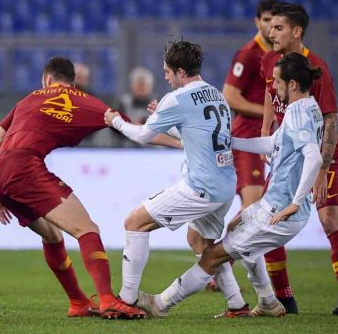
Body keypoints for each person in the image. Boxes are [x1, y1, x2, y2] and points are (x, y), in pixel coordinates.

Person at [0, 57, 179, 319]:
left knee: (52, 236)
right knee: (88, 230)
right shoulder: (84, 100)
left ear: (47, 79)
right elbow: (136, 131)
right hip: (25, 168)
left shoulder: (28, 99)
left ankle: (78, 302)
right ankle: (108, 300)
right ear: (73, 83)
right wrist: (179, 144)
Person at [136, 52, 324, 319]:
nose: (274, 88)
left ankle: (160, 303)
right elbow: (273, 143)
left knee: (211, 255)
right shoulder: (308, 108)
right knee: (236, 226)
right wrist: (230, 141)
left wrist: (295, 203)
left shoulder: (297, 113)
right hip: (271, 205)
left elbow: (313, 156)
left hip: (280, 211)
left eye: (278, 83)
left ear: (293, 84)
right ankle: (268, 302)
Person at [104, 40, 249, 318]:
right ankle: (237, 304)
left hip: (200, 187)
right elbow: (193, 134)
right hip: (226, 185)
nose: (165, 77)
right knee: (201, 243)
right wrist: (167, 118)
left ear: (181, 71)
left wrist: (116, 121)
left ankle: (127, 299)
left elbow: (143, 136)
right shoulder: (215, 94)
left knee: (134, 223)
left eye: (168, 72)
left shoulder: (177, 98)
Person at [261, 2, 338, 315]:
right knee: (269, 220)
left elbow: (331, 119)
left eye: (278, 28)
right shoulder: (269, 61)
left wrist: (321, 168)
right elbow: (268, 96)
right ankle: (285, 300)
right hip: (287, 156)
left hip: (323, 156)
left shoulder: (317, 67)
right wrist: (265, 133)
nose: (270, 32)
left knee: (329, 219)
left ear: (296, 32)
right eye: (270, 26)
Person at [223, 0, 278, 210]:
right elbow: (229, 96)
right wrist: (269, 114)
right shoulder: (249, 54)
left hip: (269, 139)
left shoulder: (279, 55)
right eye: (266, 19)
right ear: (257, 22)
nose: (270, 25)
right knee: (253, 208)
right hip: (248, 138)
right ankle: (216, 246)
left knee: (263, 210)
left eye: (275, 20)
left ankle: (217, 245)